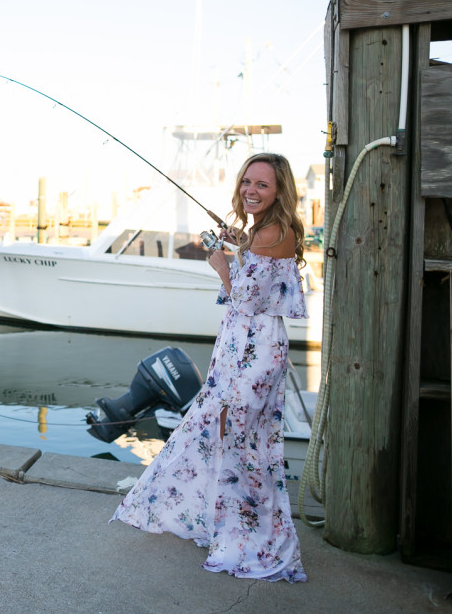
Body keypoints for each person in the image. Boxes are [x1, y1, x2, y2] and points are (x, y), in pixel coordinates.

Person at [111, 152, 308, 583]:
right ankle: (223, 519)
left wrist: (222, 266)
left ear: (280, 191)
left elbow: (246, 297)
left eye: (263, 185)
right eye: (247, 182)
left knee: (239, 440)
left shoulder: (276, 230)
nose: (251, 191)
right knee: (223, 433)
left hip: (254, 353)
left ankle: (250, 534)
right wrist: (240, 247)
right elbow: (259, 273)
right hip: (242, 347)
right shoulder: (266, 231)